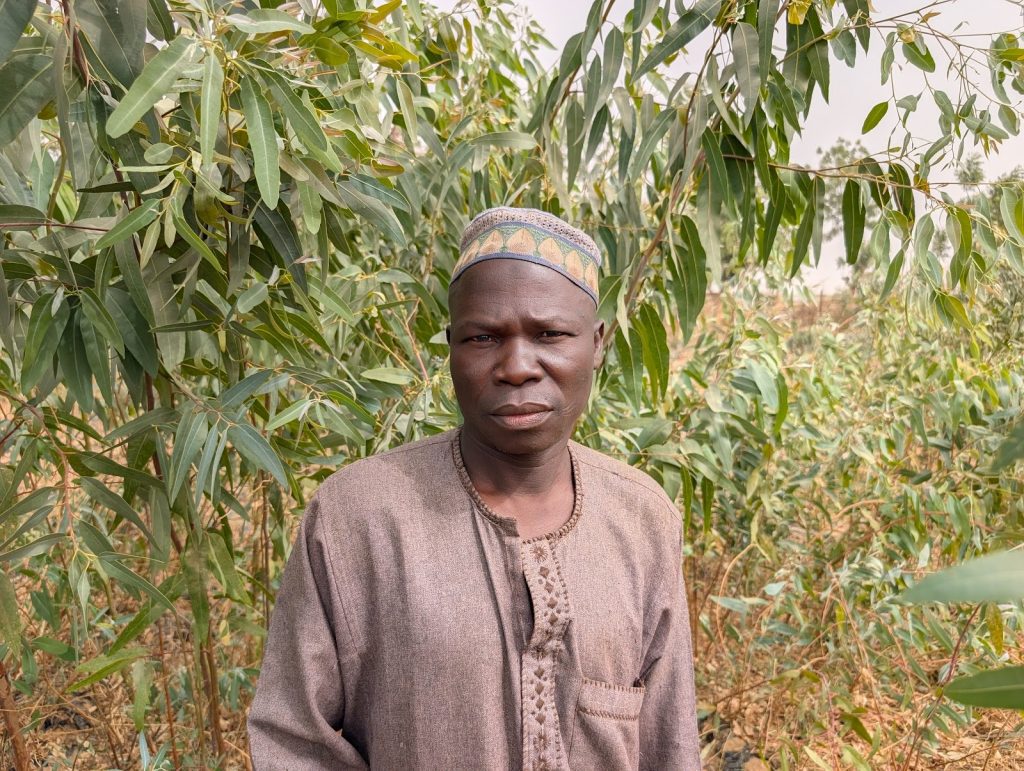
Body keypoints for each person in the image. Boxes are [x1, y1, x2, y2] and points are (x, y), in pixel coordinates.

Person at [247, 207, 701, 769]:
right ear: (452, 350)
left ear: (598, 343)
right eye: (483, 337)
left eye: (551, 334)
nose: (516, 367)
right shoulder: (357, 517)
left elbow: (669, 741)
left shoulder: (642, 518)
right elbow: (292, 739)